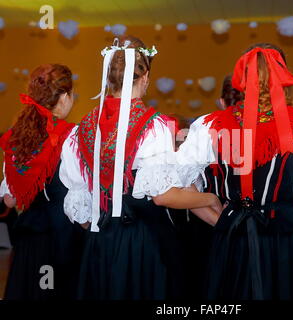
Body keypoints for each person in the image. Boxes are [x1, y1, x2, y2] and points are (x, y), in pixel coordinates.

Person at [175, 43, 293, 299]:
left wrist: (221, 219)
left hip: (232, 242)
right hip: (285, 244)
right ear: (283, 77)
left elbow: (177, 187)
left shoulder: (209, 125)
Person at [61, 36, 221, 300]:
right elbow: (163, 196)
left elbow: (80, 210)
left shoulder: (80, 131)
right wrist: (211, 197)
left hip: (99, 242)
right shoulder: (153, 125)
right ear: (144, 77)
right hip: (143, 242)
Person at [0, 64, 84, 300]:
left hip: (29, 242)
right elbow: (80, 200)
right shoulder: (71, 136)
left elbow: (10, 198)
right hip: (62, 240)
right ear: (65, 97)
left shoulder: (17, 137)